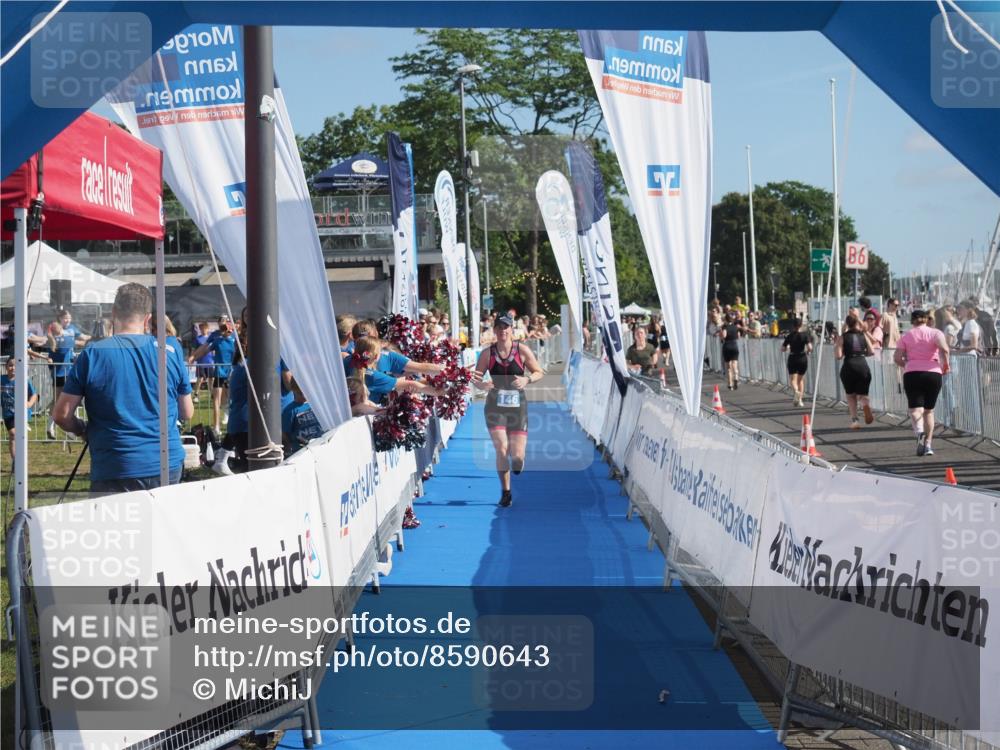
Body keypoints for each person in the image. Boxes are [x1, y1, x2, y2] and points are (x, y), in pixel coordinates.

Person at [52, 283, 193, 495]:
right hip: (166, 462)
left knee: (116, 528)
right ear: (147, 318)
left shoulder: (93, 354)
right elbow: (187, 412)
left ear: (114, 312)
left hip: (115, 464)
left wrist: (83, 430)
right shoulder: (171, 350)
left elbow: (62, 415)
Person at [472, 314, 545, 508]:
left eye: (506, 327)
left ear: (512, 330)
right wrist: (483, 384)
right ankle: (506, 492)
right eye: (499, 327)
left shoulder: (522, 350)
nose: (503, 331)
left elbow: (538, 372)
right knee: (501, 448)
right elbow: (475, 378)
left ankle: (518, 463)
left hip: (517, 407)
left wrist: (527, 379)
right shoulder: (488, 353)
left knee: (518, 457)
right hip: (495, 406)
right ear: (494, 330)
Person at [894, 310, 949, 456]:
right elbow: (945, 349)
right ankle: (928, 445)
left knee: (915, 409)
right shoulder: (936, 333)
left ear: (912, 321)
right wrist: (946, 365)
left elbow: (897, 357)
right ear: (926, 319)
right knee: (929, 411)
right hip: (933, 372)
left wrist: (907, 365)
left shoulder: (906, 335)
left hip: (912, 373)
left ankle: (919, 431)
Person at [187, 315, 236, 433]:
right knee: (216, 400)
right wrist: (193, 357)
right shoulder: (216, 339)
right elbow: (205, 350)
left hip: (231, 373)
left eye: (227, 325)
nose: (225, 328)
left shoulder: (235, 339)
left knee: (231, 400)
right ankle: (216, 426)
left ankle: (231, 423)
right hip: (219, 372)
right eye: (223, 325)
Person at [835, 313, 874, 429]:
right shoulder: (863, 335)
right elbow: (871, 351)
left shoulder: (843, 337)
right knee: (863, 394)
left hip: (849, 366)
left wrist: (837, 346)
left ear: (847, 324)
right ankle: (865, 404)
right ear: (857, 323)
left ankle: (855, 420)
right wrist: (862, 353)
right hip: (862, 364)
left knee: (850, 395)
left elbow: (838, 356)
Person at [1, 356, 38, 461]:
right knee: (13, 434)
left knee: (19, 437)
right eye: (10, 365)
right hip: (8, 413)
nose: (13, 368)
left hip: (22, 413)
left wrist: (29, 404)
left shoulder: (24, 380)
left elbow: (34, 394)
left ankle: (20, 461)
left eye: (15, 365)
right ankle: (15, 462)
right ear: (6, 367)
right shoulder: (1, 380)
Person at [781, 318, 813, 407]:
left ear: (793, 325)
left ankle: (796, 391)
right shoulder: (805, 335)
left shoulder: (790, 336)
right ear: (801, 325)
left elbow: (783, 348)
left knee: (793, 380)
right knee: (801, 380)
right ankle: (800, 400)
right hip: (802, 358)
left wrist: (787, 348)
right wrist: (808, 351)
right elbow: (810, 347)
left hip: (793, 357)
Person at [717, 310, 743, 390]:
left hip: (727, 346)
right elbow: (738, 336)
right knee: (735, 364)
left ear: (725, 319)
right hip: (734, 345)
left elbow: (724, 336)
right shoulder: (735, 326)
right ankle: (736, 377)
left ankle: (730, 384)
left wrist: (721, 335)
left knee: (728, 367)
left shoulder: (724, 327)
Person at [193, 322, 214, 402]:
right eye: (201, 329)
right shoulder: (198, 339)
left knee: (211, 379)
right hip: (201, 362)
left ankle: (212, 394)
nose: (203, 330)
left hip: (210, 362)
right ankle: (196, 395)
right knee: (200, 379)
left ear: (207, 329)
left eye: (204, 328)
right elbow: (195, 350)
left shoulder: (211, 338)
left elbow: (213, 349)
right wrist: (193, 357)